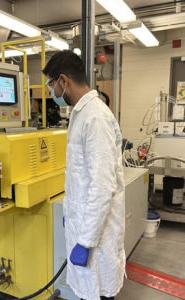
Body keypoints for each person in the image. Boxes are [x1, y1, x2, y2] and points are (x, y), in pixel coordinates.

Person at [42, 50, 125, 300]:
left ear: (64, 80)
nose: (51, 93)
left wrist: (86, 241)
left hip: (96, 239)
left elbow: (101, 189)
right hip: (86, 228)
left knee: (99, 292)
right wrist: (72, 214)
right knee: (89, 291)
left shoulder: (96, 117)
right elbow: (81, 177)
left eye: (51, 85)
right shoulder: (81, 113)